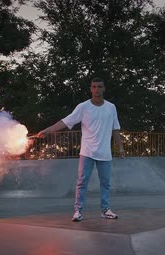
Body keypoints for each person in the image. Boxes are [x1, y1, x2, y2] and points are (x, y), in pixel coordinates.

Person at [36, 77, 125, 222]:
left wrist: (120, 148)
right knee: (82, 181)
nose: (97, 89)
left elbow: (116, 128)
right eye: (94, 87)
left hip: (104, 153)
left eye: (100, 86)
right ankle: (78, 211)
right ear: (91, 89)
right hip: (87, 152)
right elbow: (66, 121)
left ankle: (105, 210)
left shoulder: (111, 107)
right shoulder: (83, 107)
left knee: (106, 183)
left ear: (104, 89)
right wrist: (48, 130)